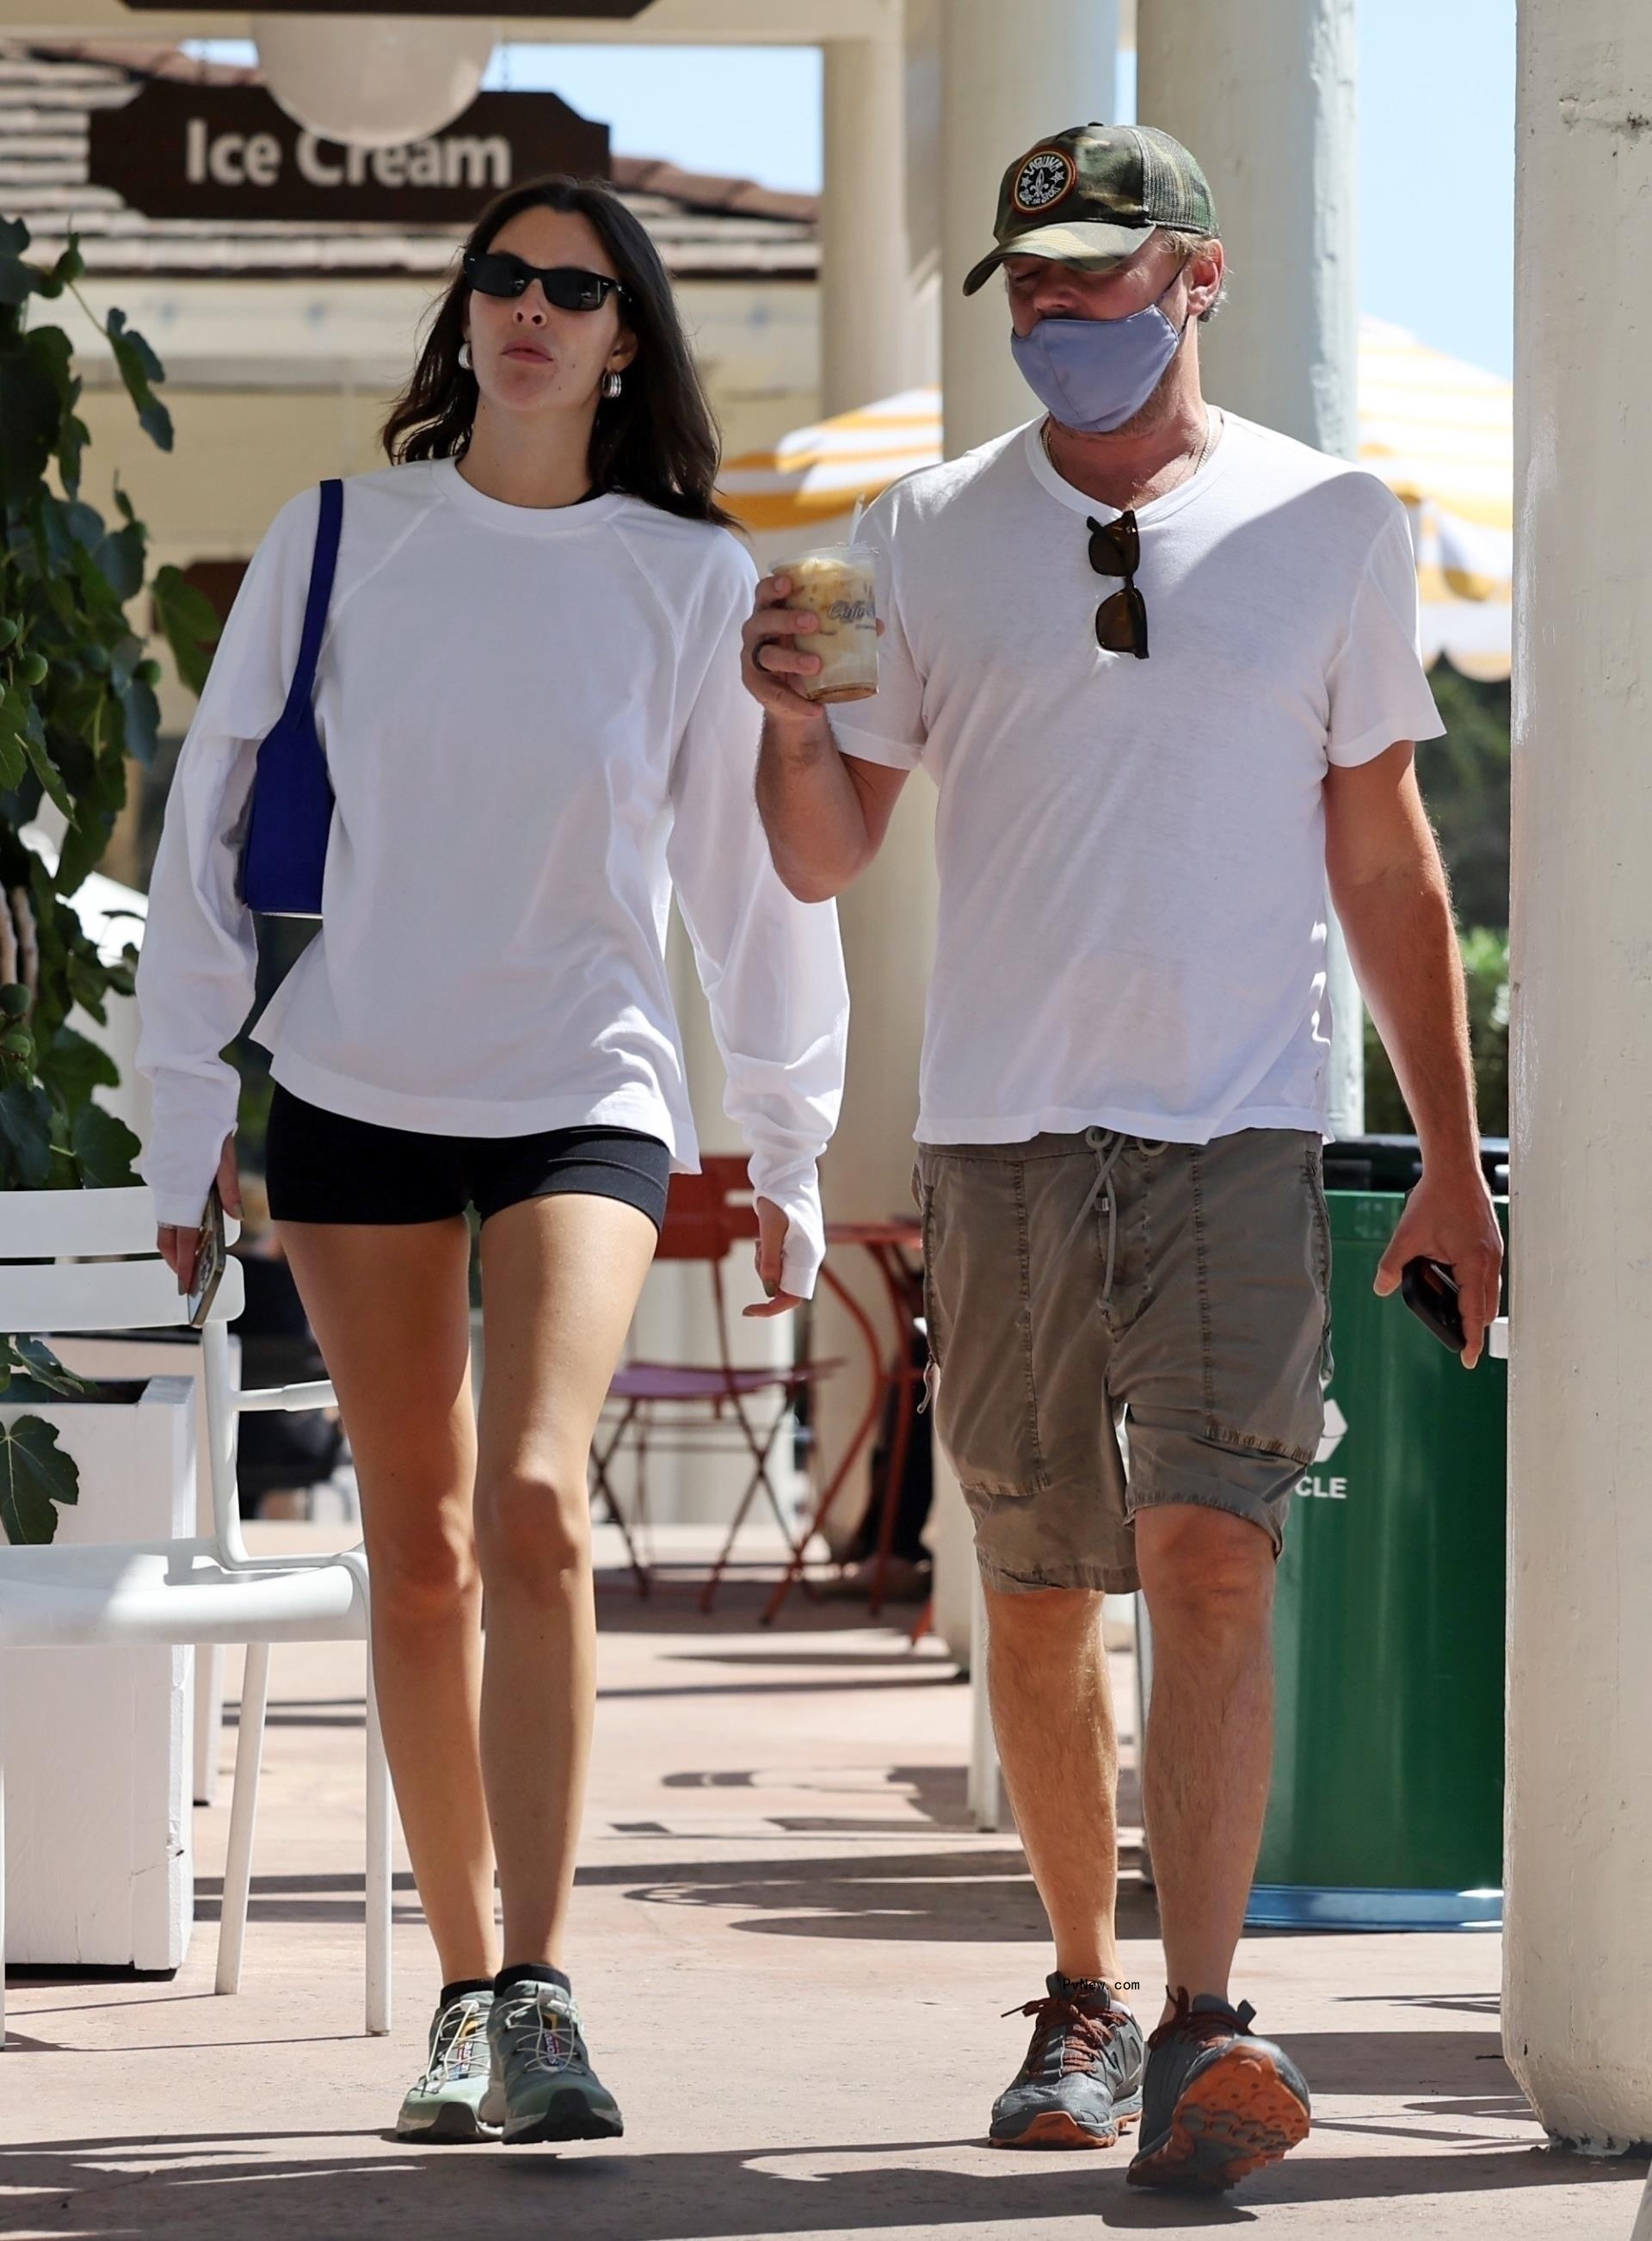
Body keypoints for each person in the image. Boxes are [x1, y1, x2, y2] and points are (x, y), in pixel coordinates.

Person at [742, 120, 1502, 2196]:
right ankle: (1078, 1992)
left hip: (1240, 1130)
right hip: (997, 1136)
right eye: (1037, 288)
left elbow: (1383, 848)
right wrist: (790, 719)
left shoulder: (1334, 519)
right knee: (1041, 1586)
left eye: (1102, 274)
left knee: (1214, 1558)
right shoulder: (918, 535)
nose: (1066, 318)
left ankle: (1204, 2020)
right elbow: (822, 853)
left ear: (1200, 275)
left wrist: (1450, 1159)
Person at [136, 174, 848, 2147]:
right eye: (503, 278)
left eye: (576, 289)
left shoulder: (690, 575)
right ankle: (461, 1996)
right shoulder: (343, 535)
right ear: (467, 316)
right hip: (356, 1084)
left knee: (537, 1502)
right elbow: (211, 824)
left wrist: (786, 1133)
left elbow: (751, 886)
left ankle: (540, 1984)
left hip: (584, 1090)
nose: (529, 309)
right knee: (418, 1543)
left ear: (628, 344)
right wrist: (187, 1117)